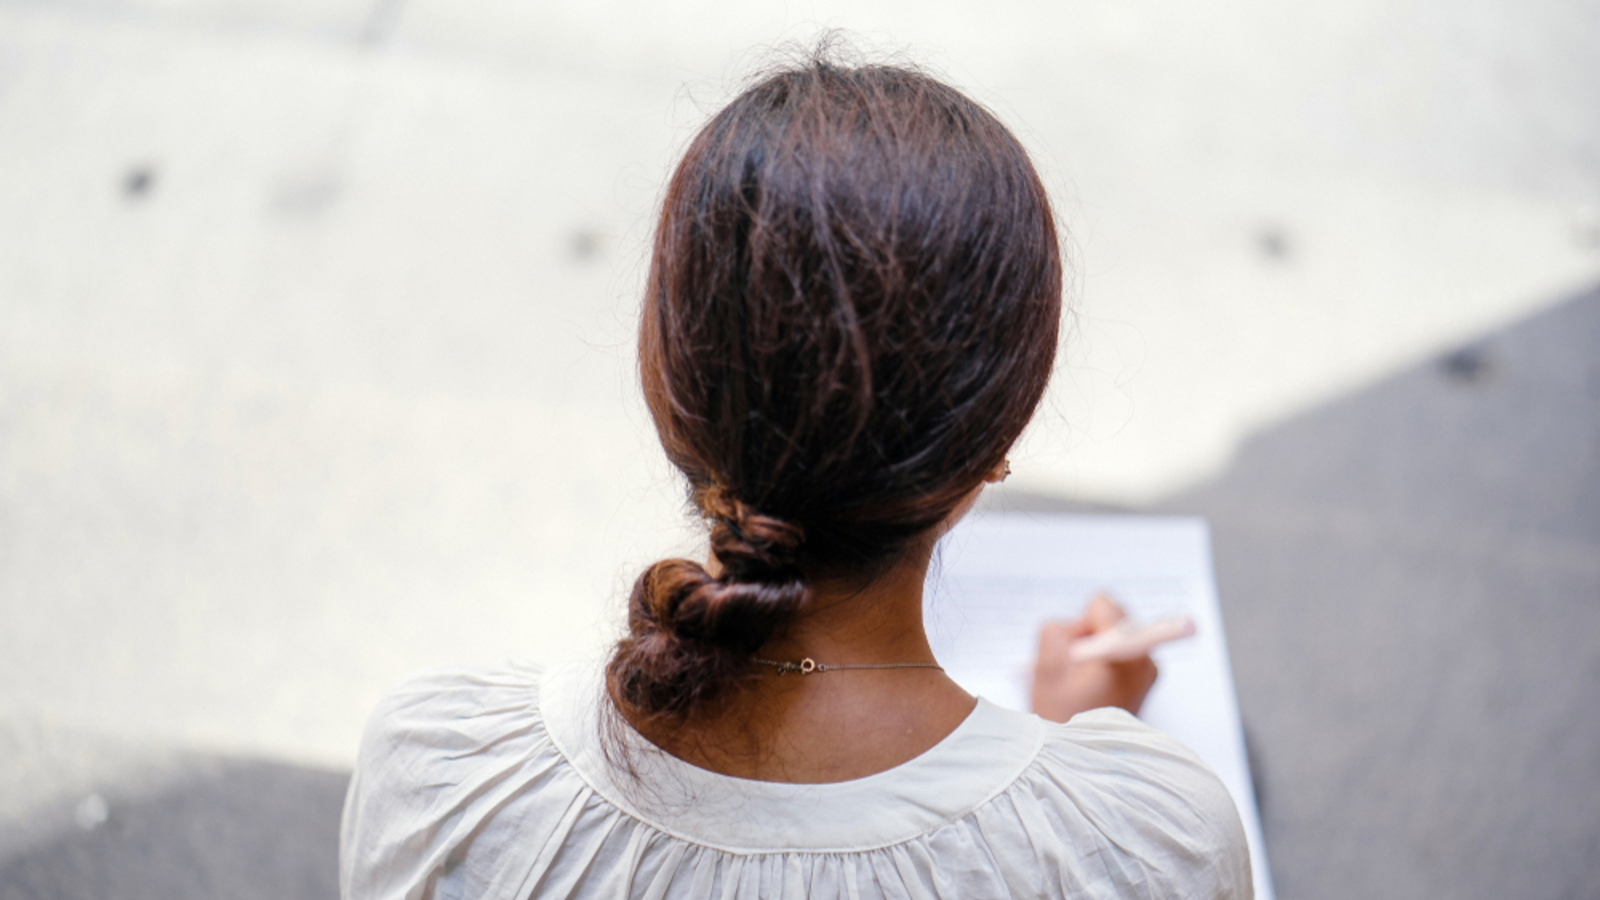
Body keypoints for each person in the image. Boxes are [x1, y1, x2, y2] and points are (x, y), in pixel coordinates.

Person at [340, 55, 1251, 900]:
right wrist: (1059, 764)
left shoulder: (439, 777)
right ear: (994, 443)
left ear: (666, 384)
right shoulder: (1145, 847)